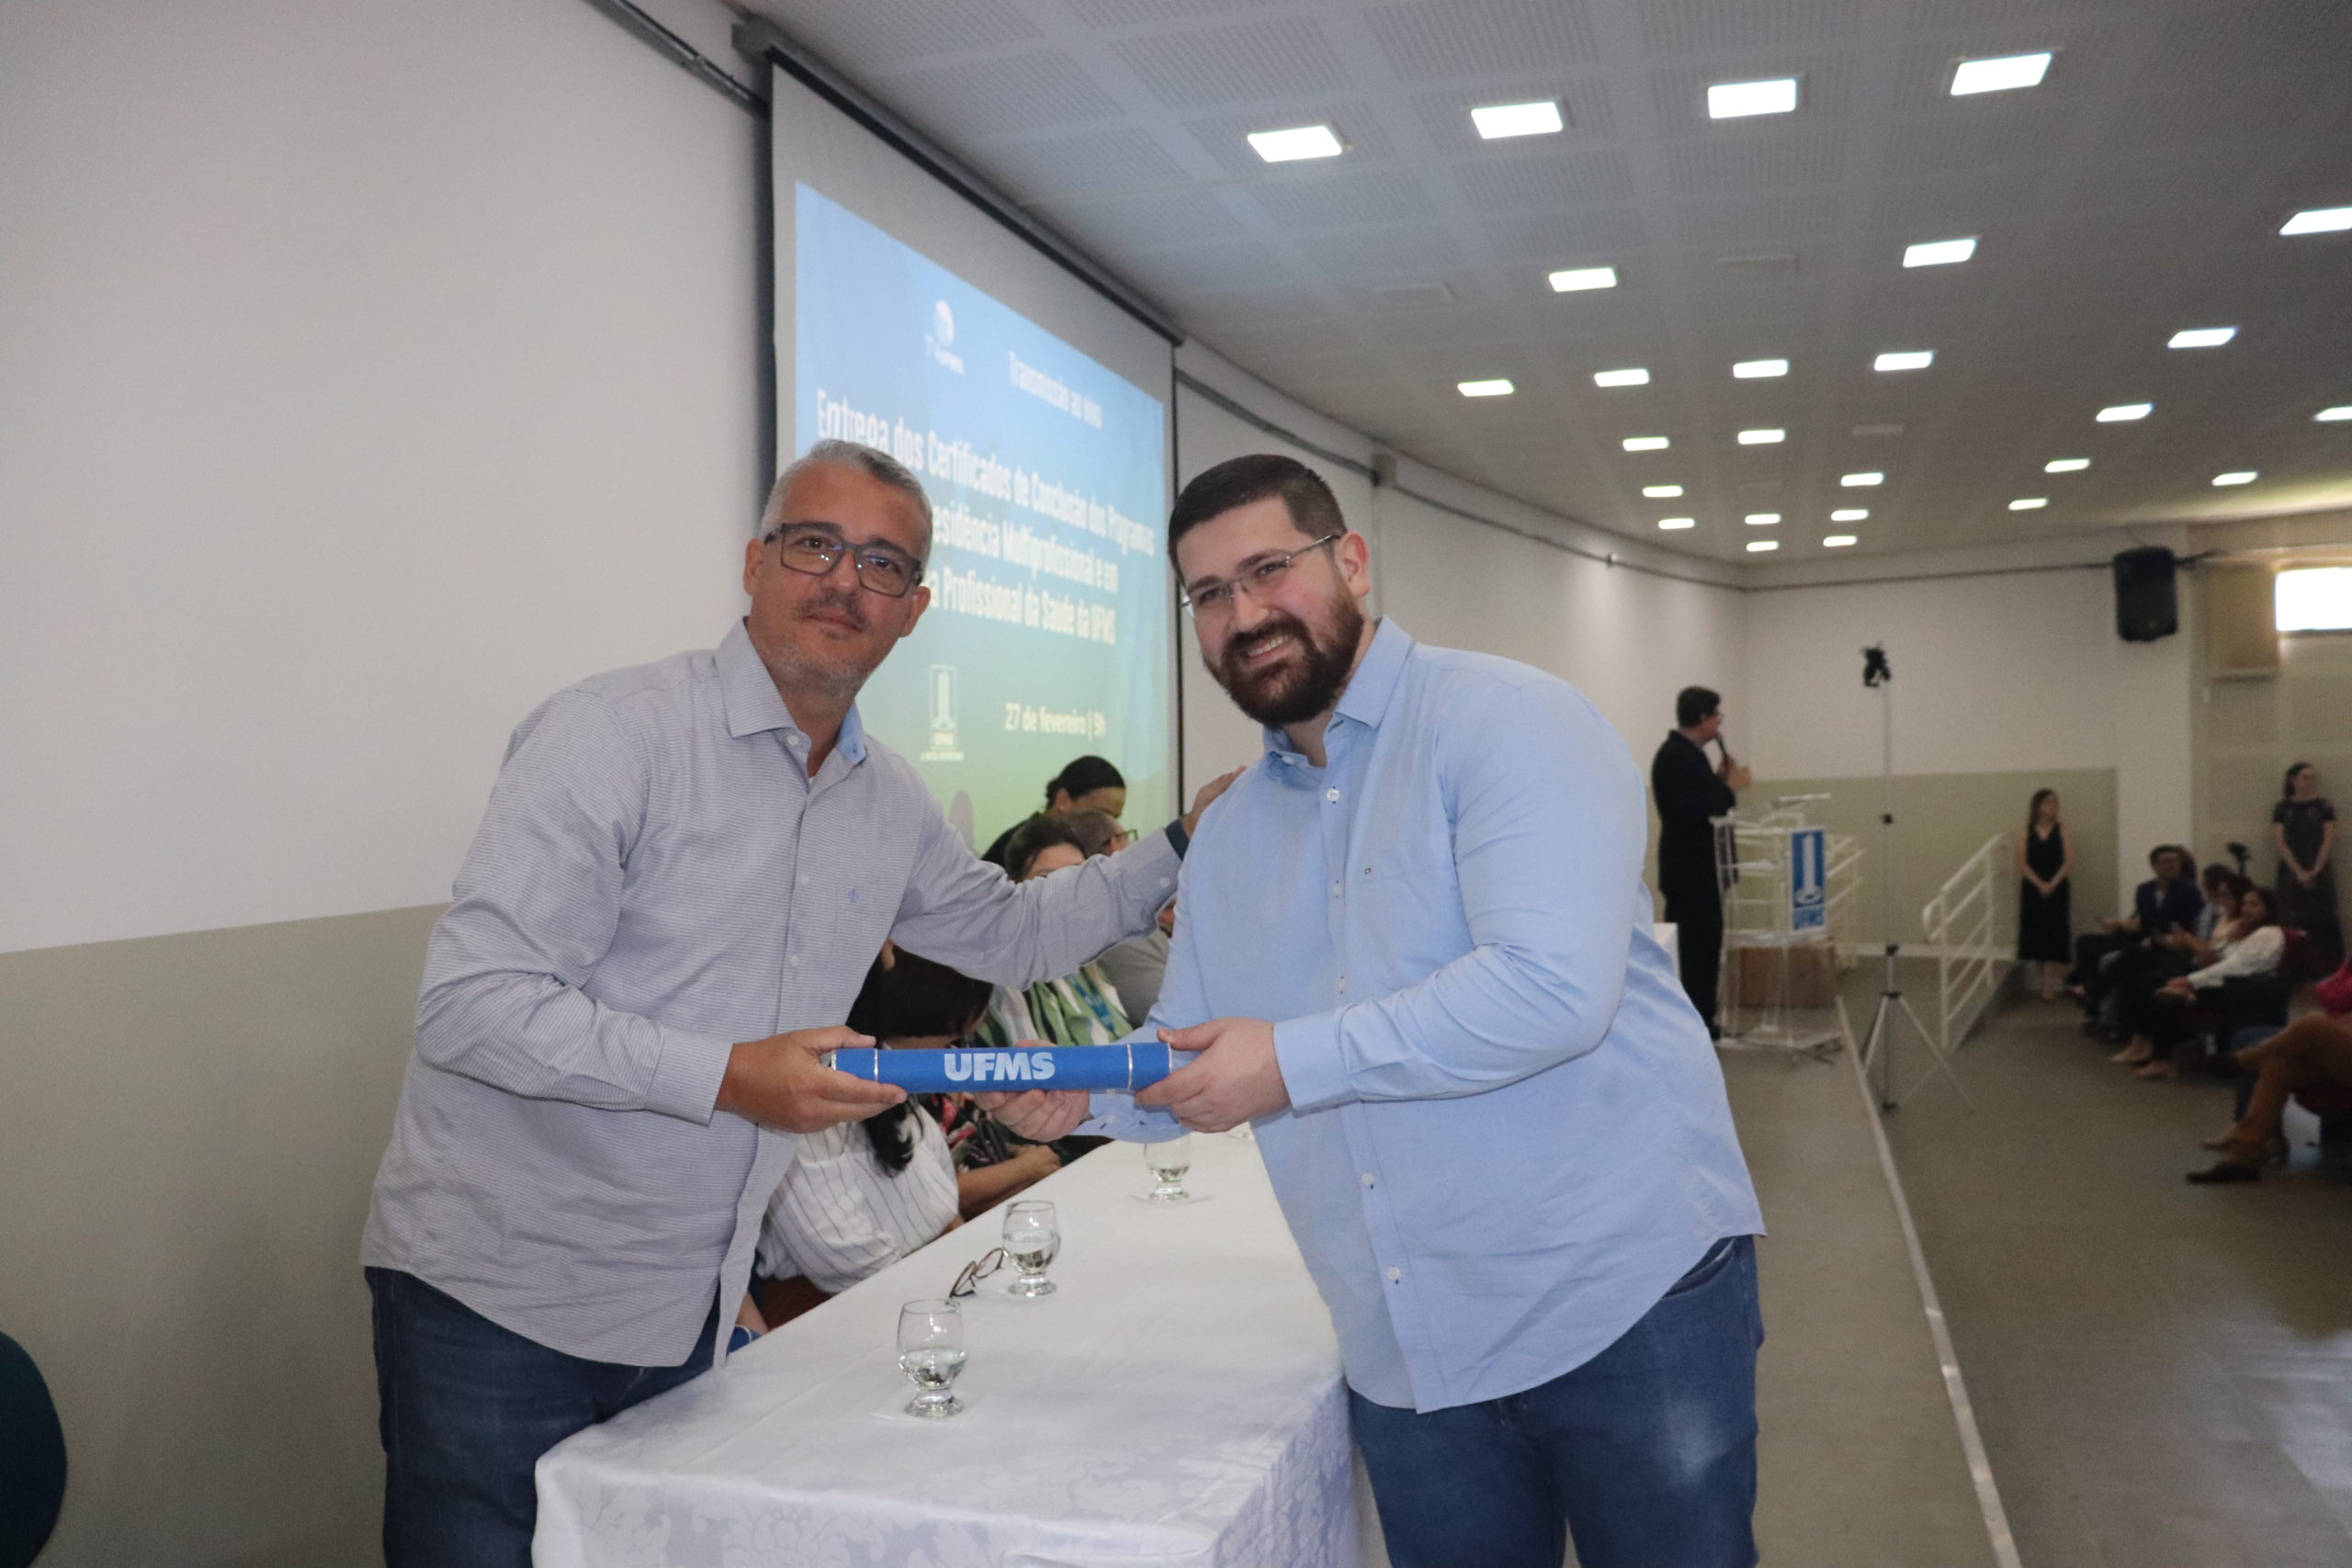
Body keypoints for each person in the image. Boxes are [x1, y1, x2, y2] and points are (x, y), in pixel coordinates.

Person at [358, 439, 1227, 1567]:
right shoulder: (610, 734)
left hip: (692, 1306)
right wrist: (729, 1077)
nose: (842, 581)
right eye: (815, 544)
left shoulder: (887, 796)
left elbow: (1016, 934)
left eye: (881, 563)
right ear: (754, 562)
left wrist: (1184, 840)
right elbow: (472, 1004)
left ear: (913, 611)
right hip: (501, 1301)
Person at [986, 454, 1766, 1568]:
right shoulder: (1232, 831)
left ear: (1351, 561)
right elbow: (1194, 1045)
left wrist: (1286, 1062)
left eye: (1268, 569)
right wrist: (1084, 1097)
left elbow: (1550, 992)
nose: (1242, 614)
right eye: (1208, 593)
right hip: (1408, 1349)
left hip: (1619, 1309)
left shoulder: (1508, 723)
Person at [752, 946, 1056, 1318]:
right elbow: (845, 1258)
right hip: (846, 1306)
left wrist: (969, 1272)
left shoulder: (888, 1071)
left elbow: (940, 1199)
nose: (889, 958)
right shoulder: (798, 1101)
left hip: (928, 1277)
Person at [1651, 685, 1751, 1035]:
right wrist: (1730, 787)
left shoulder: (1689, 754)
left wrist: (1720, 780)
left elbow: (1702, 799)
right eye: (1717, 716)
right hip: (1691, 875)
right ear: (1702, 718)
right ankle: (1693, 1025)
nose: (1720, 724)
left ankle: (1705, 1020)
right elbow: (1693, 811)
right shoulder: (1674, 756)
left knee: (1707, 951)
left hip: (1704, 874)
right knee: (1694, 954)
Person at [2112, 885, 2284, 1080]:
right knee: (2147, 983)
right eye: (2245, 904)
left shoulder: (2268, 934)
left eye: (2254, 905)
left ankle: (2163, 1058)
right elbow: (2219, 954)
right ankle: (2146, 1043)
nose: (2246, 909)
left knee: (2161, 993)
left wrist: (2190, 980)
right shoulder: (2245, 931)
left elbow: (2236, 966)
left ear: (2268, 909)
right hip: (2220, 981)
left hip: (2239, 990)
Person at [980, 755, 1127, 865]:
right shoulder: (1019, 845)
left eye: (1115, 818)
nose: (1109, 825)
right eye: (1101, 813)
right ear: (1063, 800)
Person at [2274, 761, 2341, 968]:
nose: (2310, 781)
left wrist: (2315, 870)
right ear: (2292, 780)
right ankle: (2295, 967)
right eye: (2305, 777)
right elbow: (2280, 842)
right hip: (2291, 869)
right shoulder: (2282, 808)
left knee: (2323, 916)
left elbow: (2328, 839)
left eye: (2312, 777)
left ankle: (2329, 966)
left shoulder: (2324, 806)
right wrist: (2298, 871)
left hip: (2318, 866)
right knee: (2291, 916)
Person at [2016, 789, 2074, 1001]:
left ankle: (2050, 984)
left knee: (2054, 932)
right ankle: (2042, 983)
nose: (2052, 806)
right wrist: (2040, 884)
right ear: (2038, 805)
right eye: (2048, 802)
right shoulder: (2026, 831)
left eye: (2054, 802)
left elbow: (2068, 860)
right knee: (2037, 933)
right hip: (2033, 888)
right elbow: (2022, 863)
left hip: (2057, 887)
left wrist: (2052, 884)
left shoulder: (2062, 830)